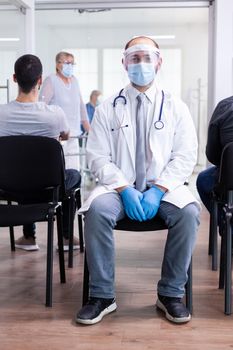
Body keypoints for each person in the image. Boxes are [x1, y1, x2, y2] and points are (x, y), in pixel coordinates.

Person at [75, 36, 200, 325]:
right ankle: (102, 295)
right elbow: (97, 156)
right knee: (97, 212)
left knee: (190, 213)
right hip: (118, 189)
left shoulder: (176, 107)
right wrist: (124, 188)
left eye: (147, 57)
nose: (141, 64)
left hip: (164, 189)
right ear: (124, 63)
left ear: (159, 62)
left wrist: (157, 190)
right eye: (134, 58)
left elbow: (185, 156)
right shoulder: (108, 107)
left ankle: (170, 294)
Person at [0, 54, 81, 251]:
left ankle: (29, 237)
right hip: (48, 189)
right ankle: (67, 238)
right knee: (73, 176)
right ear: (39, 80)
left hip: (9, 188)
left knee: (23, 172)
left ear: (14, 78)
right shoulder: (54, 115)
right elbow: (66, 135)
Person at [39, 51, 90, 170]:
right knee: (58, 170)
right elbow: (41, 107)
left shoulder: (75, 81)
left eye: (73, 63)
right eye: (67, 63)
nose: (70, 66)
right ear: (58, 64)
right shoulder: (51, 80)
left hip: (74, 135)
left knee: (74, 171)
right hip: (57, 136)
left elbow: (81, 106)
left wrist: (89, 129)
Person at [196, 96, 233, 212]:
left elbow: (212, 155)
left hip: (230, 182)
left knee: (203, 180)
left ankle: (227, 226)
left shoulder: (225, 106)